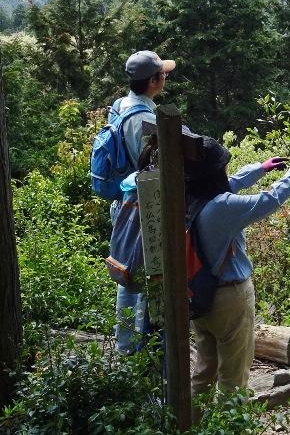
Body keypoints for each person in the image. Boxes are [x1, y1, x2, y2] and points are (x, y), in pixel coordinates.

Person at [187, 137, 290, 398]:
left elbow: (230, 184)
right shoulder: (223, 207)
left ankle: (192, 424)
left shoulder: (189, 197)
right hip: (229, 299)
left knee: (204, 371)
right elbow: (272, 198)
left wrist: (260, 168)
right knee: (233, 378)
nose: (226, 172)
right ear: (214, 174)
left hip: (198, 295)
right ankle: (229, 426)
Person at [111, 50, 175, 353]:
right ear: (153, 81)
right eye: (162, 73)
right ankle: (143, 351)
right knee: (143, 276)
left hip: (121, 202)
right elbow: (157, 170)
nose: (166, 77)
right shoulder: (147, 120)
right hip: (141, 206)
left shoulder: (121, 106)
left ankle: (124, 344)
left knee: (125, 271)